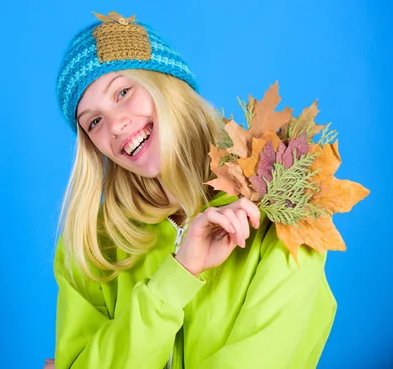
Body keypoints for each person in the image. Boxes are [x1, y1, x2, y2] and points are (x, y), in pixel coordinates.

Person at [48, 11, 336, 369]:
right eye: (94, 121)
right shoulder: (92, 244)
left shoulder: (281, 196)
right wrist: (177, 276)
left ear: (165, 81)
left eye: (123, 92)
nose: (117, 125)